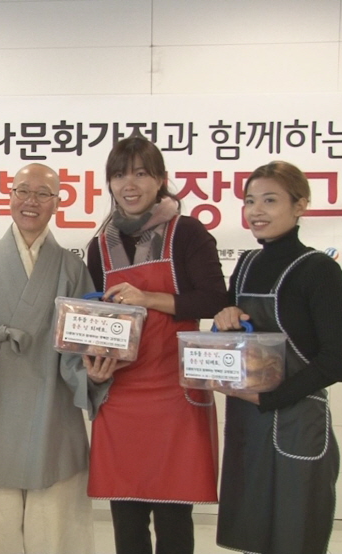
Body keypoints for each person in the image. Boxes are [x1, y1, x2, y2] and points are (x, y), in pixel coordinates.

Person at [0, 163, 108, 554]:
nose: (31, 201)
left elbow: (81, 345)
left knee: (53, 528)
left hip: (50, 404)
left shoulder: (71, 267)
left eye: (42, 194)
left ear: (57, 202)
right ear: (9, 196)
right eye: (23, 191)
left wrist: (93, 373)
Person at [85, 136, 226, 554]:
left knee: (173, 515)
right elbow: (94, 316)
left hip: (173, 392)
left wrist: (147, 298)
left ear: (161, 179)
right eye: (119, 175)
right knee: (125, 513)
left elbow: (214, 299)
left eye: (141, 173)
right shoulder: (100, 245)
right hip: (121, 393)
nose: (129, 184)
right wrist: (92, 363)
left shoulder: (187, 232)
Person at [213, 161, 342, 554]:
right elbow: (233, 342)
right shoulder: (246, 265)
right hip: (248, 423)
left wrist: (271, 397)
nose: (256, 211)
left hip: (297, 422)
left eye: (270, 200)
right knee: (253, 536)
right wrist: (224, 320)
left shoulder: (318, 269)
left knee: (294, 538)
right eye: (249, 201)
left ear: (300, 205)